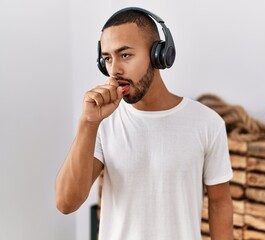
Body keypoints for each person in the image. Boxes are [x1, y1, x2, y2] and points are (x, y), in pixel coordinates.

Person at [55, 7, 234, 240]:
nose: (114, 70)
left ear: (159, 55)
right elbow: (66, 203)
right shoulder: (102, 123)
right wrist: (88, 123)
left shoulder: (207, 122)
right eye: (107, 58)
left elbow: (220, 203)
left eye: (125, 55)